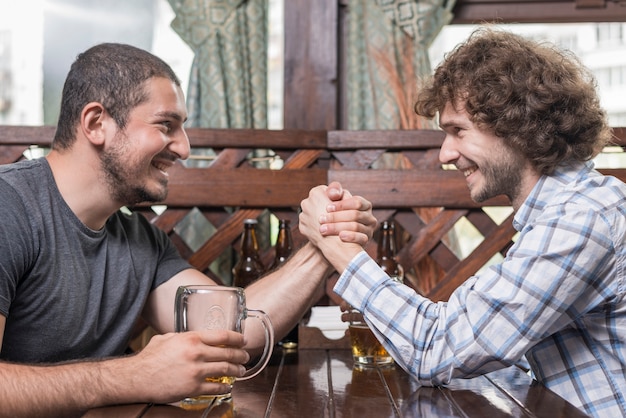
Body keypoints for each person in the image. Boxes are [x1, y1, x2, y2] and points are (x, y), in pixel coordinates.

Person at [0, 43, 377, 417]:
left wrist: (325, 241)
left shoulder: (140, 239)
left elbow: (237, 329)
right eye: (166, 125)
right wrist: (133, 375)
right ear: (97, 123)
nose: (184, 147)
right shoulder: (9, 208)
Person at [299, 27, 626, 418]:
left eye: (458, 131)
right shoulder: (566, 211)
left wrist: (338, 245)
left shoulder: (582, 219)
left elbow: (437, 349)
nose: (445, 153)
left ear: (517, 127)